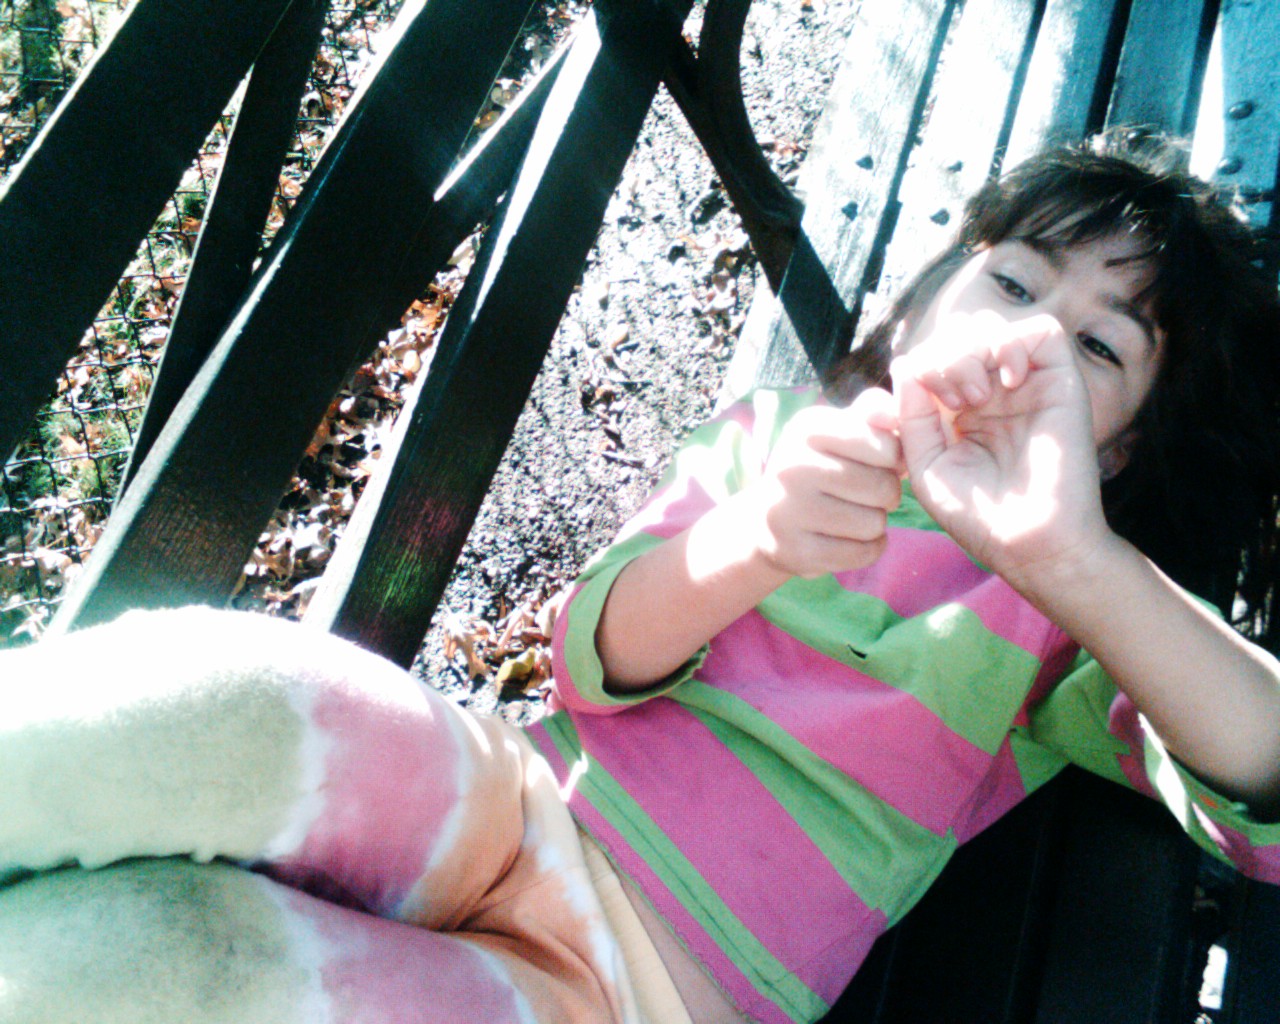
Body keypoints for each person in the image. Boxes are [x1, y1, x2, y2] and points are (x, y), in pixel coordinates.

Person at [1, 132, 1278, 1024]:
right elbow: (591, 655)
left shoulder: (1070, 622)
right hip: (504, 807)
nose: (1022, 344)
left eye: (1095, 348)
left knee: (166, 965)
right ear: (927, 294)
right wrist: (755, 539)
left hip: (630, 998)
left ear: (1114, 451)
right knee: (226, 703)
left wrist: (1071, 559)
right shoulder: (776, 444)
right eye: (1009, 281)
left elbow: (1261, 789)